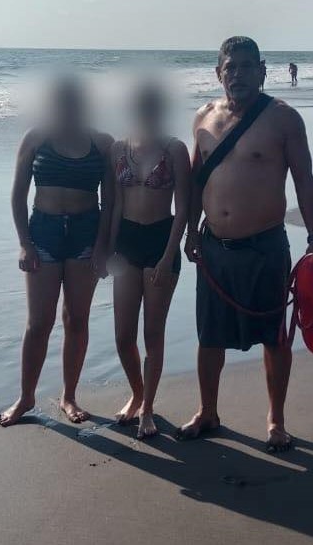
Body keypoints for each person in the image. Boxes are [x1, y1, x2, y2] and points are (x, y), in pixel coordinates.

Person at [178, 37, 313, 452]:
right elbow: (194, 183)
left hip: (265, 248)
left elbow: (305, 181)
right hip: (215, 248)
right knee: (209, 336)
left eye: (246, 66)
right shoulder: (204, 117)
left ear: (261, 71)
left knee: (274, 337)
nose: (238, 74)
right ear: (218, 73)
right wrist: (191, 232)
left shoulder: (284, 119)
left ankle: (276, 420)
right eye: (231, 67)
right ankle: (208, 411)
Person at [0, 76, 114, 427]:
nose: (68, 109)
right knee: (38, 323)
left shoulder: (102, 143)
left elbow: (110, 202)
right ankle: (26, 397)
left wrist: (102, 248)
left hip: (85, 233)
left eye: (73, 103)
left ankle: (69, 396)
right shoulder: (36, 138)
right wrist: (24, 242)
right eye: (62, 103)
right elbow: (18, 194)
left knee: (76, 320)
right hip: (44, 233)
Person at [109, 81, 190, 439]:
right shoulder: (118, 148)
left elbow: (183, 208)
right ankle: (137, 393)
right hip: (126, 243)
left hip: (161, 241)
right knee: (123, 335)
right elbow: (114, 204)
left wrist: (169, 255)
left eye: (152, 107)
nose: (146, 113)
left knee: (152, 334)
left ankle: (148, 409)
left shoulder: (174, 149)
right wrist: (109, 248)